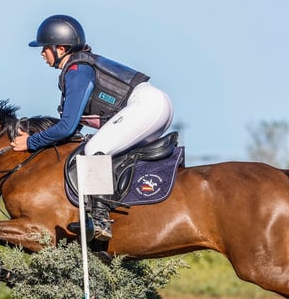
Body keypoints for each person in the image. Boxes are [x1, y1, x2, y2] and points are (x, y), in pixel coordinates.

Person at [11, 14, 174, 241]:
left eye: (45, 48)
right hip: (154, 107)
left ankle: (100, 220)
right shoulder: (78, 68)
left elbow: (67, 127)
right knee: (103, 148)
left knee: (95, 149)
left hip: (147, 106)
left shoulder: (77, 70)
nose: (42, 53)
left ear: (60, 48)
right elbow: (73, 125)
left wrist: (30, 142)